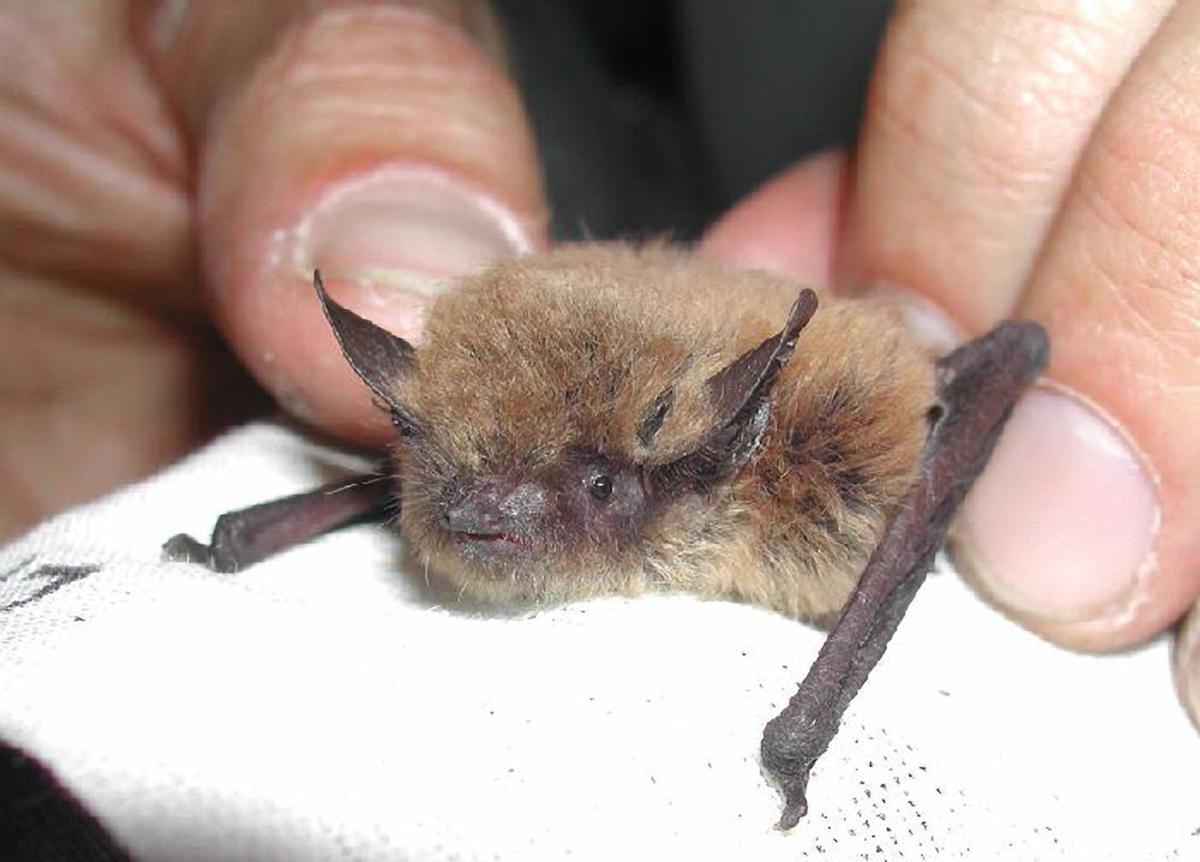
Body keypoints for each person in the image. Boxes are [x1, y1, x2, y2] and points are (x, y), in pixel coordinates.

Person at [1, 0, 1196, 709]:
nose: (486, 513)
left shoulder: (823, 451)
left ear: (700, 464)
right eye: (452, 469)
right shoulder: (450, 470)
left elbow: (1003, 361)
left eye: (593, 489)